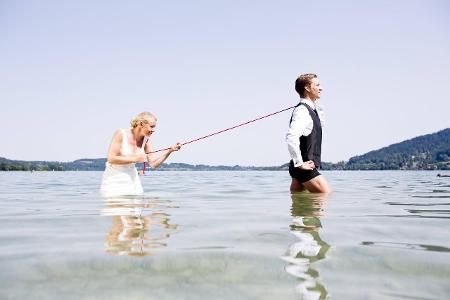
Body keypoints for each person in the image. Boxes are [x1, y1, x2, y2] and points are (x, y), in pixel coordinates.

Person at [101, 112, 181, 197]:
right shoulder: (121, 133)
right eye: (151, 126)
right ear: (141, 124)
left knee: (137, 208)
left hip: (133, 181)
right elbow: (111, 158)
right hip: (114, 180)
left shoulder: (147, 140)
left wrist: (170, 151)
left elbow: (154, 164)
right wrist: (135, 159)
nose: (153, 130)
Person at [286, 73, 331, 193]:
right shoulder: (302, 111)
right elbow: (291, 137)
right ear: (307, 88)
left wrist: (316, 106)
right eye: (317, 85)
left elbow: (319, 125)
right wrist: (300, 164)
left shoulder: (310, 109)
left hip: (301, 168)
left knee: (301, 209)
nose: (321, 88)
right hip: (304, 168)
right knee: (325, 197)